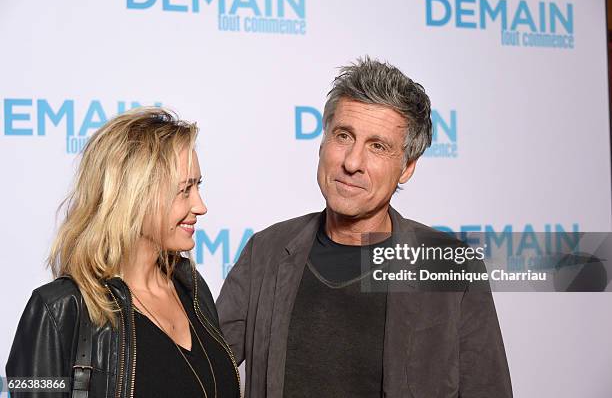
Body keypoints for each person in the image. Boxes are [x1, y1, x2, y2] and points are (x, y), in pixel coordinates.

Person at [216, 57, 513, 397]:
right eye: (343, 136)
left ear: (407, 167)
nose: (352, 162)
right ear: (323, 141)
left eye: (377, 146)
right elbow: (201, 367)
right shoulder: (266, 251)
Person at [6, 108, 240, 398]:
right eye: (185, 190)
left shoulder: (191, 287)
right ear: (134, 195)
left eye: (198, 186)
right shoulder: (58, 309)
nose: (200, 206)